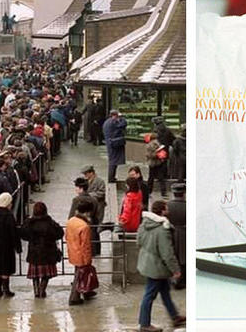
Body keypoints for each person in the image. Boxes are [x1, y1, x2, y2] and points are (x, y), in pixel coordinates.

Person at [136, 200, 185, 332]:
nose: (168, 210)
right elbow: (167, 253)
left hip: (147, 263)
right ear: (163, 211)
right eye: (166, 208)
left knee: (165, 291)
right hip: (157, 267)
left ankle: (175, 316)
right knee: (149, 295)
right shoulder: (163, 229)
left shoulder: (144, 224)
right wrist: (176, 269)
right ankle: (145, 324)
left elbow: (138, 241)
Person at [20, 201, 63, 299]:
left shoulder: (29, 222)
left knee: (35, 275)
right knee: (46, 275)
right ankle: (42, 290)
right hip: (48, 253)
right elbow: (60, 233)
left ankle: (36, 291)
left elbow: (23, 234)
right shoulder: (50, 222)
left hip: (34, 253)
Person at [66, 201, 96, 305]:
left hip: (73, 252)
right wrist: (88, 259)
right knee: (79, 276)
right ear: (87, 212)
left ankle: (85, 292)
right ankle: (74, 298)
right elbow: (86, 245)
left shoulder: (71, 221)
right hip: (81, 255)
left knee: (78, 274)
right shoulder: (84, 226)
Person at [69, 177, 100, 256]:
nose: (75, 189)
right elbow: (97, 217)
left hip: (79, 230)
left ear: (80, 188)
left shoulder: (76, 200)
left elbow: (71, 217)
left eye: (76, 187)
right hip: (91, 231)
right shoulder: (94, 200)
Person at [166, 182, 187, 289]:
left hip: (172, 233)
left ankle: (173, 279)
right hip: (184, 234)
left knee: (173, 257)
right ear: (184, 193)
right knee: (184, 258)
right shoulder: (187, 206)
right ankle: (182, 280)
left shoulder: (168, 205)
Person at [102, 110, 126, 182]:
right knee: (113, 162)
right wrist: (122, 118)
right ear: (115, 115)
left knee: (113, 161)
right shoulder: (113, 122)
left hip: (111, 144)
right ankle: (111, 178)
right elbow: (123, 124)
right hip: (114, 144)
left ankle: (112, 177)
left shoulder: (107, 122)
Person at [82, 165, 107, 230]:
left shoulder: (100, 181)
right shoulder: (85, 181)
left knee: (97, 225)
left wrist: (90, 195)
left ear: (91, 173)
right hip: (88, 207)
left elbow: (102, 193)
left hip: (98, 207)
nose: (85, 175)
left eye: (86, 174)